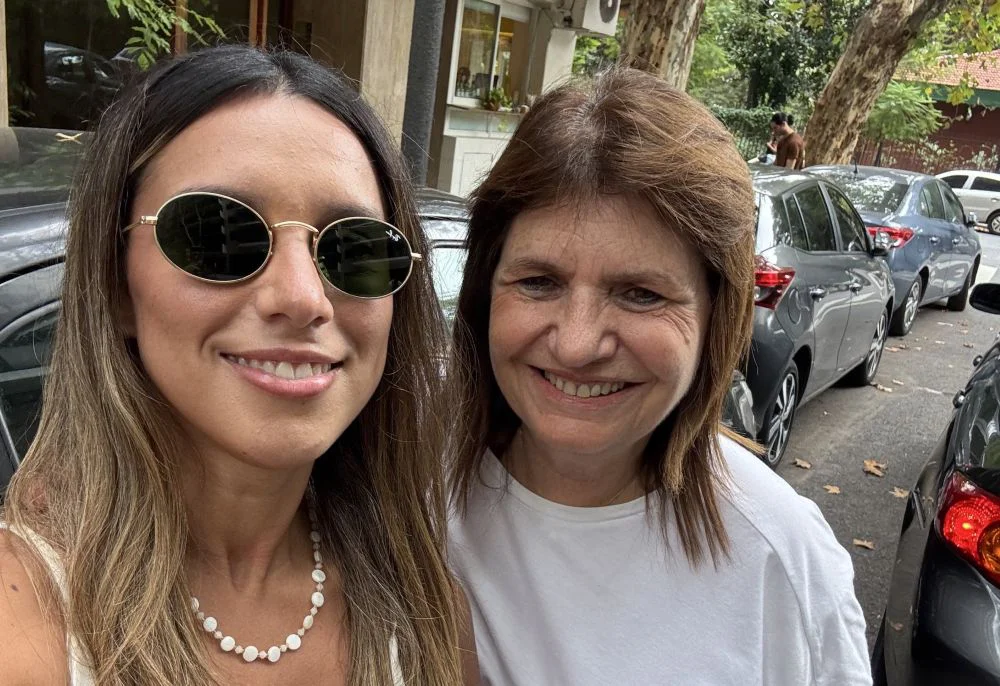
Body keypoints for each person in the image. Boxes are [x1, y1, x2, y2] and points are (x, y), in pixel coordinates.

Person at [0, 46, 477, 685]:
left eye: (356, 248)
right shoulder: (25, 623)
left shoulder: (426, 615)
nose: (303, 298)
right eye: (219, 233)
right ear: (115, 285)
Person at [446, 67, 871, 685]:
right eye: (539, 282)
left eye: (641, 294)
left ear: (715, 315)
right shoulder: (403, 497)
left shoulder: (780, 560)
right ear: (485, 291)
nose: (578, 342)